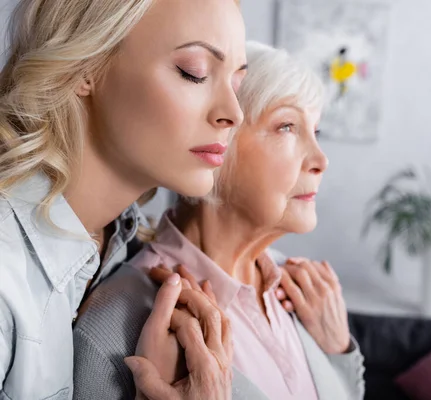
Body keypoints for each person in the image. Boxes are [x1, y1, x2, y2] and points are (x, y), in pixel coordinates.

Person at [73, 41, 366, 400]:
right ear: (215, 140)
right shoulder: (117, 325)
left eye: (315, 132)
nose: (321, 159)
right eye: (287, 126)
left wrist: (338, 354)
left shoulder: (303, 293)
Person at [0, 0, 246, 398]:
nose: (233, 112)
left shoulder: (125, 245)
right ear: (85, 67)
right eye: (194, 73)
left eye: (237, 83)